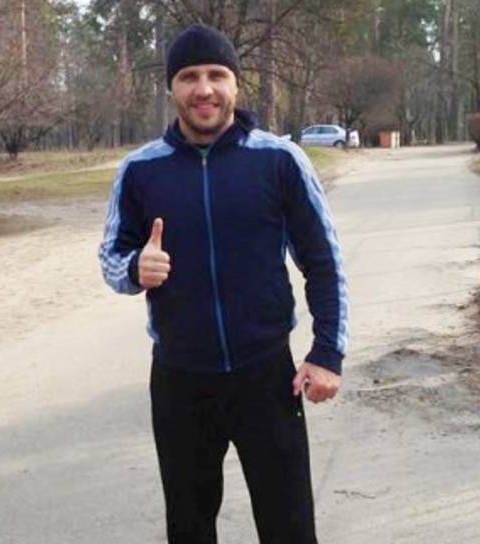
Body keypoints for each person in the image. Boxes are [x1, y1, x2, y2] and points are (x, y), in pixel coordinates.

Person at [98, 23, 349, 544]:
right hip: (180, 381)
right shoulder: (141, 170)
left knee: (290, 529)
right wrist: (135, 269)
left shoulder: (279, 160)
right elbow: (111, 258)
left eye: (216, 74)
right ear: (172, 87)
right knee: (189, 530)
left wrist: (327, 352)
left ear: (236, 82)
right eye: (189, 77)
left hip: (266, 377)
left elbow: (323, 260)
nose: (204, 89)